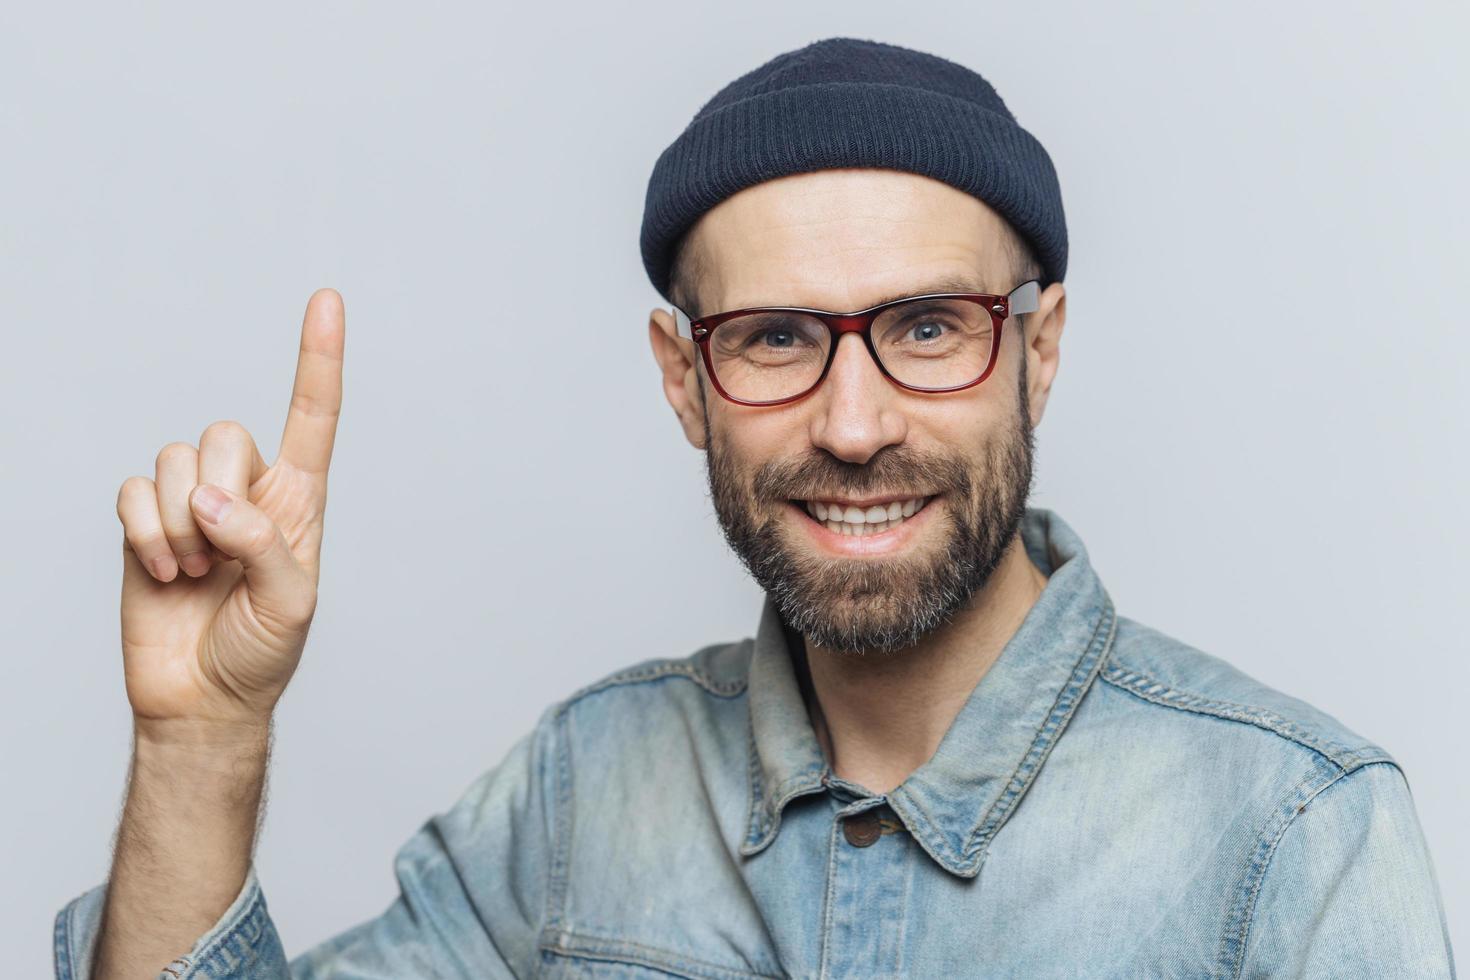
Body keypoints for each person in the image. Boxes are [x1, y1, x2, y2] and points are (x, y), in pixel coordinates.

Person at [55, 37, 1456, 980]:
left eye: (925, 326)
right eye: (777, 339)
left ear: (1037, 348)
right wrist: (200, 740)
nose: (854, 427)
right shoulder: (575, 795)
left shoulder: (1291, 836)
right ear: (684, 379)